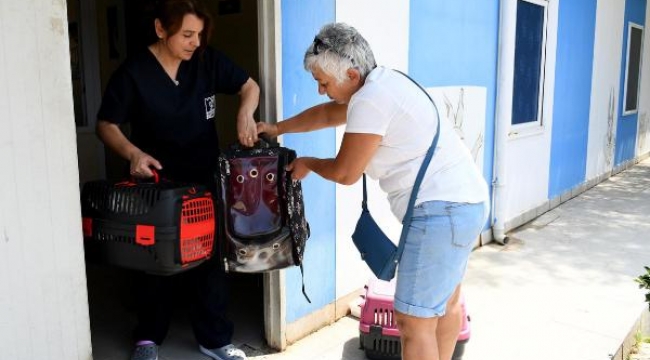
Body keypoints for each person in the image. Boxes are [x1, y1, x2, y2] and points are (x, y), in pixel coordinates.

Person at [256, 23, 489, 360]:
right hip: (465, 203)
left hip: (441, 212)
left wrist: (308, 162)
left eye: (324, 82)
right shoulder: (383, 83)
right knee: (446, 304)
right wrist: (277, 128)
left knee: (413, 322)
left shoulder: (371, 99)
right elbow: (326, 114)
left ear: (351, 74)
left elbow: (346, 172)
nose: (321, 91)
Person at [95, 1, 259, 359]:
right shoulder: (135, 72)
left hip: (204, 179)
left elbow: (250, 86)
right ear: (160, 29)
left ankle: (214, 340)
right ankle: (148, 339)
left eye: (199, 35)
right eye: (187, 34)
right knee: (155, 262)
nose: (195, 43)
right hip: (156, 186)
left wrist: (246, 110)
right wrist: (133, 154)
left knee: (210, 260)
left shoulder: (206, 61)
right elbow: (106, 124)